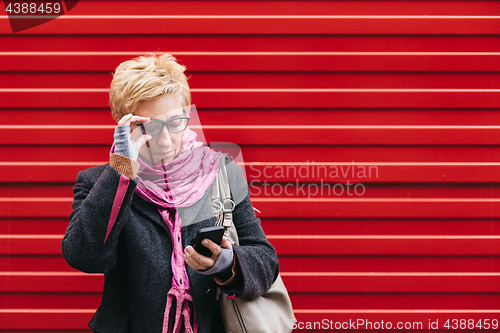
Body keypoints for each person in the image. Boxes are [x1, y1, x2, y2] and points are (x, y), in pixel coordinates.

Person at [61, 53, 279, 333]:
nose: (165, 140)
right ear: (125, 126)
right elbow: (85, 257)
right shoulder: (98, 183)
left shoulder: (220, 173)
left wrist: (225, 263)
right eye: (150, 126)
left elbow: (266, 261)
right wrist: (123, 169)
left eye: (176, 123)